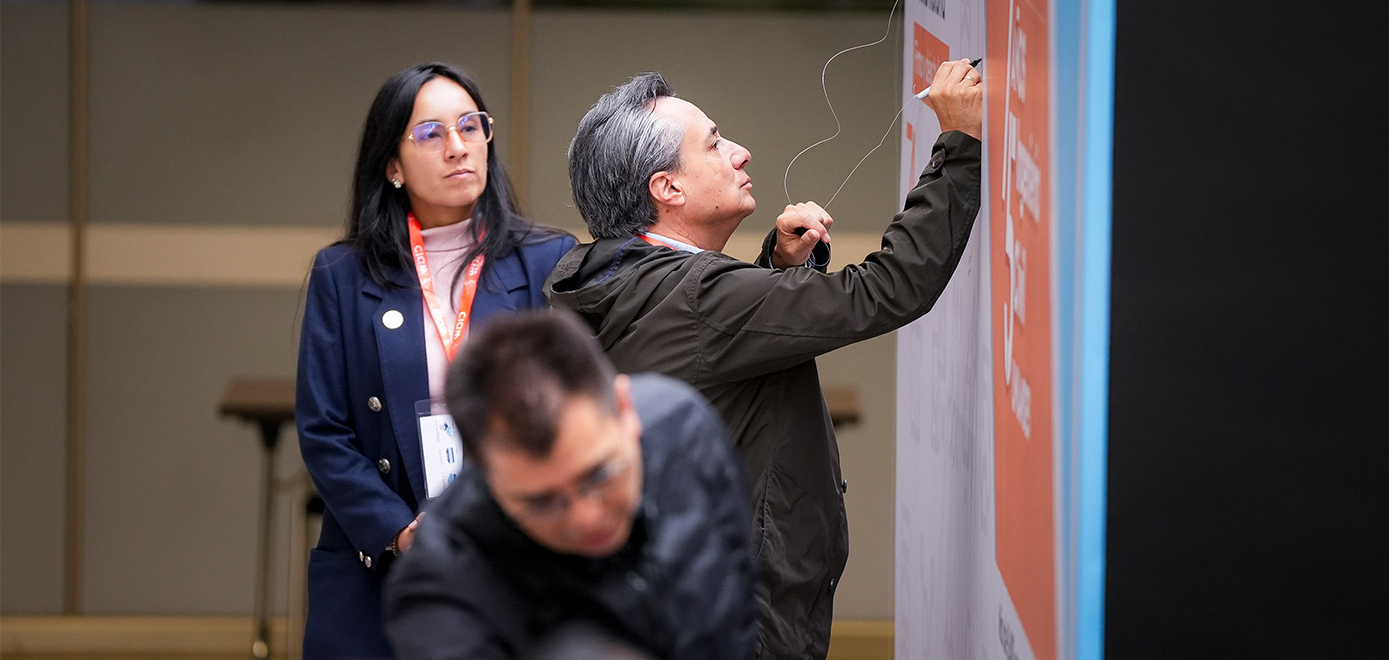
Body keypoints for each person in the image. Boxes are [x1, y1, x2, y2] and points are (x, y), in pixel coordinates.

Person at [545, 59, 983, 657]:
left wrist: (776, 272)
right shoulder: (700, 297)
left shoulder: (622, 280)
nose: (741, 152)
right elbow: (888, 290)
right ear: (666, 188)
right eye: (715, 143)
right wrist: (960, 142)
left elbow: (708, 356)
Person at [295, 62, 576, 659]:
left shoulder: (547, 260)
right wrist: (399, 530)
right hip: (379, 566)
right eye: (430, 134)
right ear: (392, 165)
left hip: (512, 557)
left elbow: (570, 414)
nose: (457, 148)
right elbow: (324, 429)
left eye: (471, 127)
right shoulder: (342, 275)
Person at [382, 310, 756, 660]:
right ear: (483, 470)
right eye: (542, 502)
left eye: (600, 475)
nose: (587, 517)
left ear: (625, 409)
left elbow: (737, 608)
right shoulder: (442, 592)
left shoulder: (685, 431)